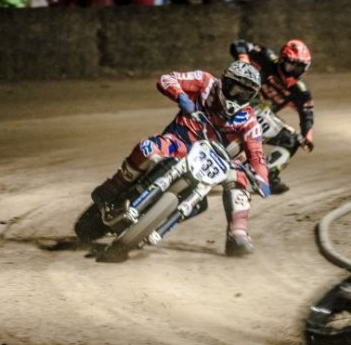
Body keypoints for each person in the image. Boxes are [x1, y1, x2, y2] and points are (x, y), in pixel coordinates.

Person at [90, 61, 271, 257]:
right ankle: (114, 185)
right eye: (234, 89)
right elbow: (167, 79)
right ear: (225, 81)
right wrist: (181, 96)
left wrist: (262, 180)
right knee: (148, 148)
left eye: (244, 94)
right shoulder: (205, 82)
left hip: (213, 163)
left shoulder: (250, 121)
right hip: (178, 144)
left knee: (239, 178)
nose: (236, 96)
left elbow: (257, 153)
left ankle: (238, 233)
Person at [229, 38, 314, 194]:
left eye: (298, 69)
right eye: (291, 66)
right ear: (282, 60)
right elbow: (239, 44)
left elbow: (307, 114)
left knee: (292, 140)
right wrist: (244, 60)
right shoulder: (267, 57)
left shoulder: (300, 91)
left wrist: (307, 136)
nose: (293, 72)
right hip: (238, 102)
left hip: (259, 118)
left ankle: (266, 176)